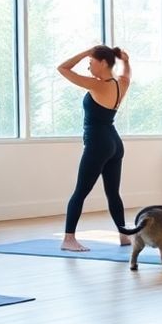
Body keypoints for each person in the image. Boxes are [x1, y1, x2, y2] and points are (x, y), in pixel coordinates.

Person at [58, 45, 131, 252]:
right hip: (114, 143)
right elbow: (127, 74)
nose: (88, 67)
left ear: (103, 62)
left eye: (91, 62)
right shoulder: (119, 84)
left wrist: (84, 52)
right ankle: (124, 235)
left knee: (80, 192)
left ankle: (68, 239)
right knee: (113, 193)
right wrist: (126, 61)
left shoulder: (97, 85)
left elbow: (63, 68)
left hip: (98, 143)